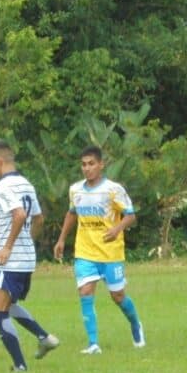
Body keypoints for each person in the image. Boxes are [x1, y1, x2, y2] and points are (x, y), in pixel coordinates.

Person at [53, 145, 144, 354]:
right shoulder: (75, 190)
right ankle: (93, 344)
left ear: (101, 165)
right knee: (85, 292)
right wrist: (61, 240)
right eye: (84, 165)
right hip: (85, 252)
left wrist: (117, 229)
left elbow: (130, 215)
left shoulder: (113, 189)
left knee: (118, 297)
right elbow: (71, 213)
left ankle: (136, 324)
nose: (87, 168)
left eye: (91, 164)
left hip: (111, 253)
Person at [0, 141, 60, 372]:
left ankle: (20, 366)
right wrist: (27, 241)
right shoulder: (26, 183)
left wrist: (8, 246)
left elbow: (19, 215)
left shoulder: (3, 186)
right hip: (26, 258)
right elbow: (38, 219)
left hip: (11, 260)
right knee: (9, 307)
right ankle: (44, 337)